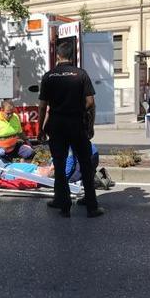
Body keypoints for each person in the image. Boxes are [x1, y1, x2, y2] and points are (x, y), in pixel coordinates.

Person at [37, 40, 103, 218]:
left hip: (56, 126)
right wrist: (90, 126)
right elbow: (90, 102)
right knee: (86, 164)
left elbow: (43, 107)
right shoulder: (81, 74)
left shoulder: (48, 76)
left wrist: (40, 129)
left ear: (57, 55)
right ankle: (91, 207)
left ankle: (63, 205)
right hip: (77, 125)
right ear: (72, 56)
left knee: (59, 165)